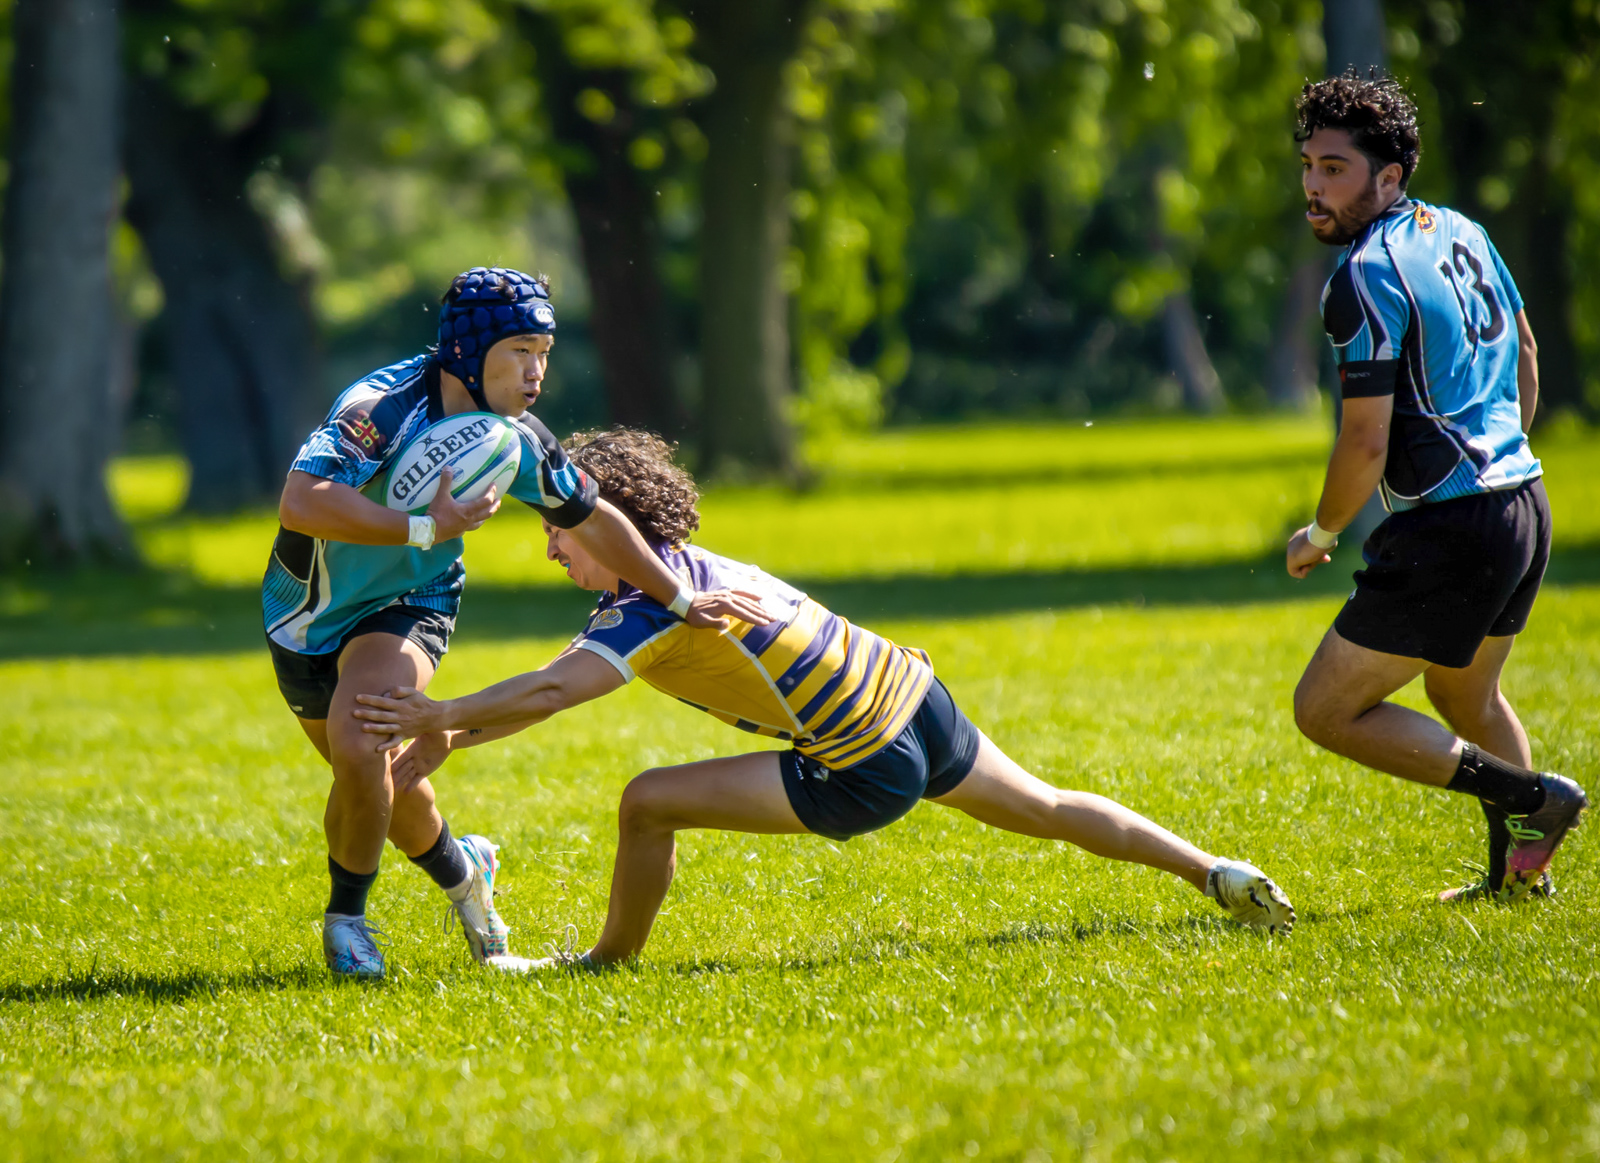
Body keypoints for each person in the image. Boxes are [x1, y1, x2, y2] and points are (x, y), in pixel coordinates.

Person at [350, 428, 1294, 971]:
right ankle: (1213, 871)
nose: (554, 546)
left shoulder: (646, 607)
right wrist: (454, 737)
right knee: (1046, 806)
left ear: (617, 526)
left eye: (564, 531)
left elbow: (557, 689)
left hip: (867, 760)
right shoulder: (682, 573)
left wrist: (437, 716)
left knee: (646, 803)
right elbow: (555, 681)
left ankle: (605, 966)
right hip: (912, 690)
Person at [264, 268, 766, 979]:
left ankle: (347, 924)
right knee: (384, 788)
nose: (537, 373)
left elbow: (594, 517)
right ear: (470, 351)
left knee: (362, 735)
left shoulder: (515, 439)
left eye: (545, 353)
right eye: (520, 351)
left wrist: (680, 597)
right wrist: (420, 525)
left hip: (410, 602)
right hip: (301, 611)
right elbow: (300, 500)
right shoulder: (380, 408)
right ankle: (465, 872)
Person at [1287, 72, 1586, 903]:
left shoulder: (1364, 274)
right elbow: (1525, 351)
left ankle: (1533, 798)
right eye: (1310, 164)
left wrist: (1321, 532)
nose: (1314, 185)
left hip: (1453, 525)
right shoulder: (1459, 229)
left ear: (1390, 177)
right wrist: (1505, 456)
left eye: (1336, 168)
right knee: (1464, 691)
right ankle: (1519, 881)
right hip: (1523, 501)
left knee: (1324, 709)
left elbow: (1366, 436)